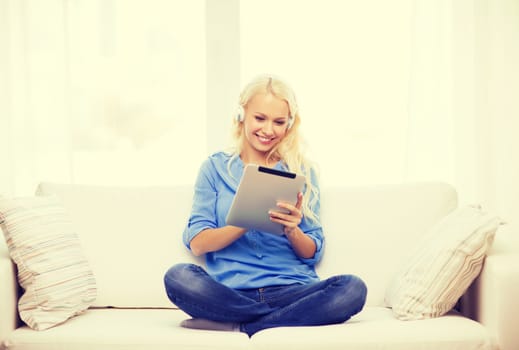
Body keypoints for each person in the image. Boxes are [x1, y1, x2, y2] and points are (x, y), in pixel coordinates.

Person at [163, 74, 367, 337]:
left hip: (293, 291)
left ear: (289, 124)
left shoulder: (301, 171)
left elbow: (312, 252)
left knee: (352, 288)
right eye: (260, 118)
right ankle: (273, 321)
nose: (268, 130)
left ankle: (250, 324)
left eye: (279, 122)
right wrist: (247, 219)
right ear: (242, 115)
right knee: (178, 278)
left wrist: (293, 230)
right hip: (231, 292)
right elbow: (198, 243)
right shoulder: (213, 168)